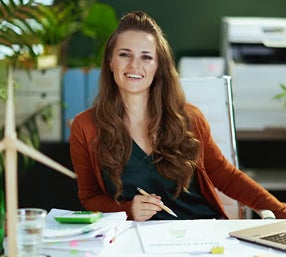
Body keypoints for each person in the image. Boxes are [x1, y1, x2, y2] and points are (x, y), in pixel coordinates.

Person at [69, 11, 286, 221]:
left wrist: (281, 212)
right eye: (125, 54)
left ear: (157, 66)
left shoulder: (188, 119)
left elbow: (227, 177)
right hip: (136, 240)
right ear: (110, 61)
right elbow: (89, 197)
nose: (135, 65)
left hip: (201, 232)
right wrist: (129, 210)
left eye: (146, 57)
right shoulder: (85, 126)